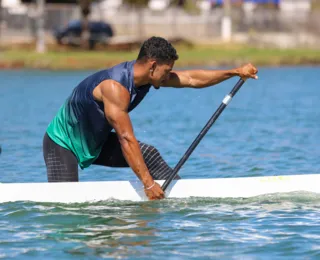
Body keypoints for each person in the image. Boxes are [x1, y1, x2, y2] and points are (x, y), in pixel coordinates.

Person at [43, 36, 258, 200]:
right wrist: (147, 184)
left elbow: (191, 78)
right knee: (65, 204)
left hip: (94, 141)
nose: (169, 76)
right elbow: (126, 139)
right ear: (153, 65)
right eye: (167, 70)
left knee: (149, 154)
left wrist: (234, 72)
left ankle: (178, 198)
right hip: (63, 143)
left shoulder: (147, 76)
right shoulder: (114, 87)